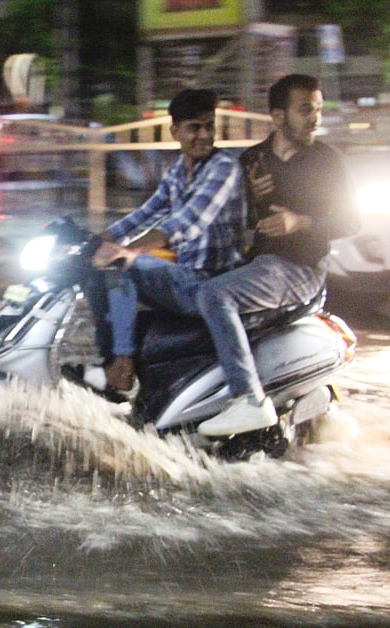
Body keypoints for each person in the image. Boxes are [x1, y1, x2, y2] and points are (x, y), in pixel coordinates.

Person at [192, 73, 359, 436]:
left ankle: (248, 399)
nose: (315, 118)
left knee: (213, 295)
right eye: (305, 110)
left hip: (299, 270)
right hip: (256, 265)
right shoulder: (253, 161)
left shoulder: (326, 160)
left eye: (316, 109)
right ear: (279, 116)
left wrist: (299, 222)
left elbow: (351, 221)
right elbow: (233, 221)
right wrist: (248, 203)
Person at [73, 87, 247, 400]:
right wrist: (100, 239)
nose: (203, 135)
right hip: (186, 276)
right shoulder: (178, 171)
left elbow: (186, 223)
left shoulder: (224, 168)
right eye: (194, 128)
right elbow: (146, 213)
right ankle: (117, 362)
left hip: (211, 283)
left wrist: (129, 251)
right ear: (176, 131)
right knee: (96, 270)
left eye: (209, 126)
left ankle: (121, 367)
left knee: (121, 267)